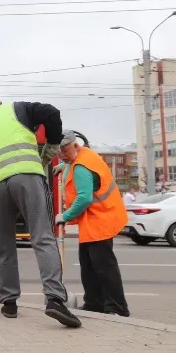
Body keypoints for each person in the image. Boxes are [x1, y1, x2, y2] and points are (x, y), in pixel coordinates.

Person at [0, 94, 81, 328]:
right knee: (42, 237)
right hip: (27, 176)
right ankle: (55, 299)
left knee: (3, 245)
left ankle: (9, 303)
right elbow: (52, 113)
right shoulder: (17, 109)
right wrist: (50, 149)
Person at [56, 129, 130, 317]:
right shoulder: (82, 156)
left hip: (101, 219)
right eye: (59, 152)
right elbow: (74, 163)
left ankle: (117, 308)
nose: (62, 155)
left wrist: (65, 216)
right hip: (95, 220)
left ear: (75, 145)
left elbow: (84, 199)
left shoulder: (81, 167)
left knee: (104, 267)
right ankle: (94, 303)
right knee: (88, 267)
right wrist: (64, 167)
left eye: (65, 150)